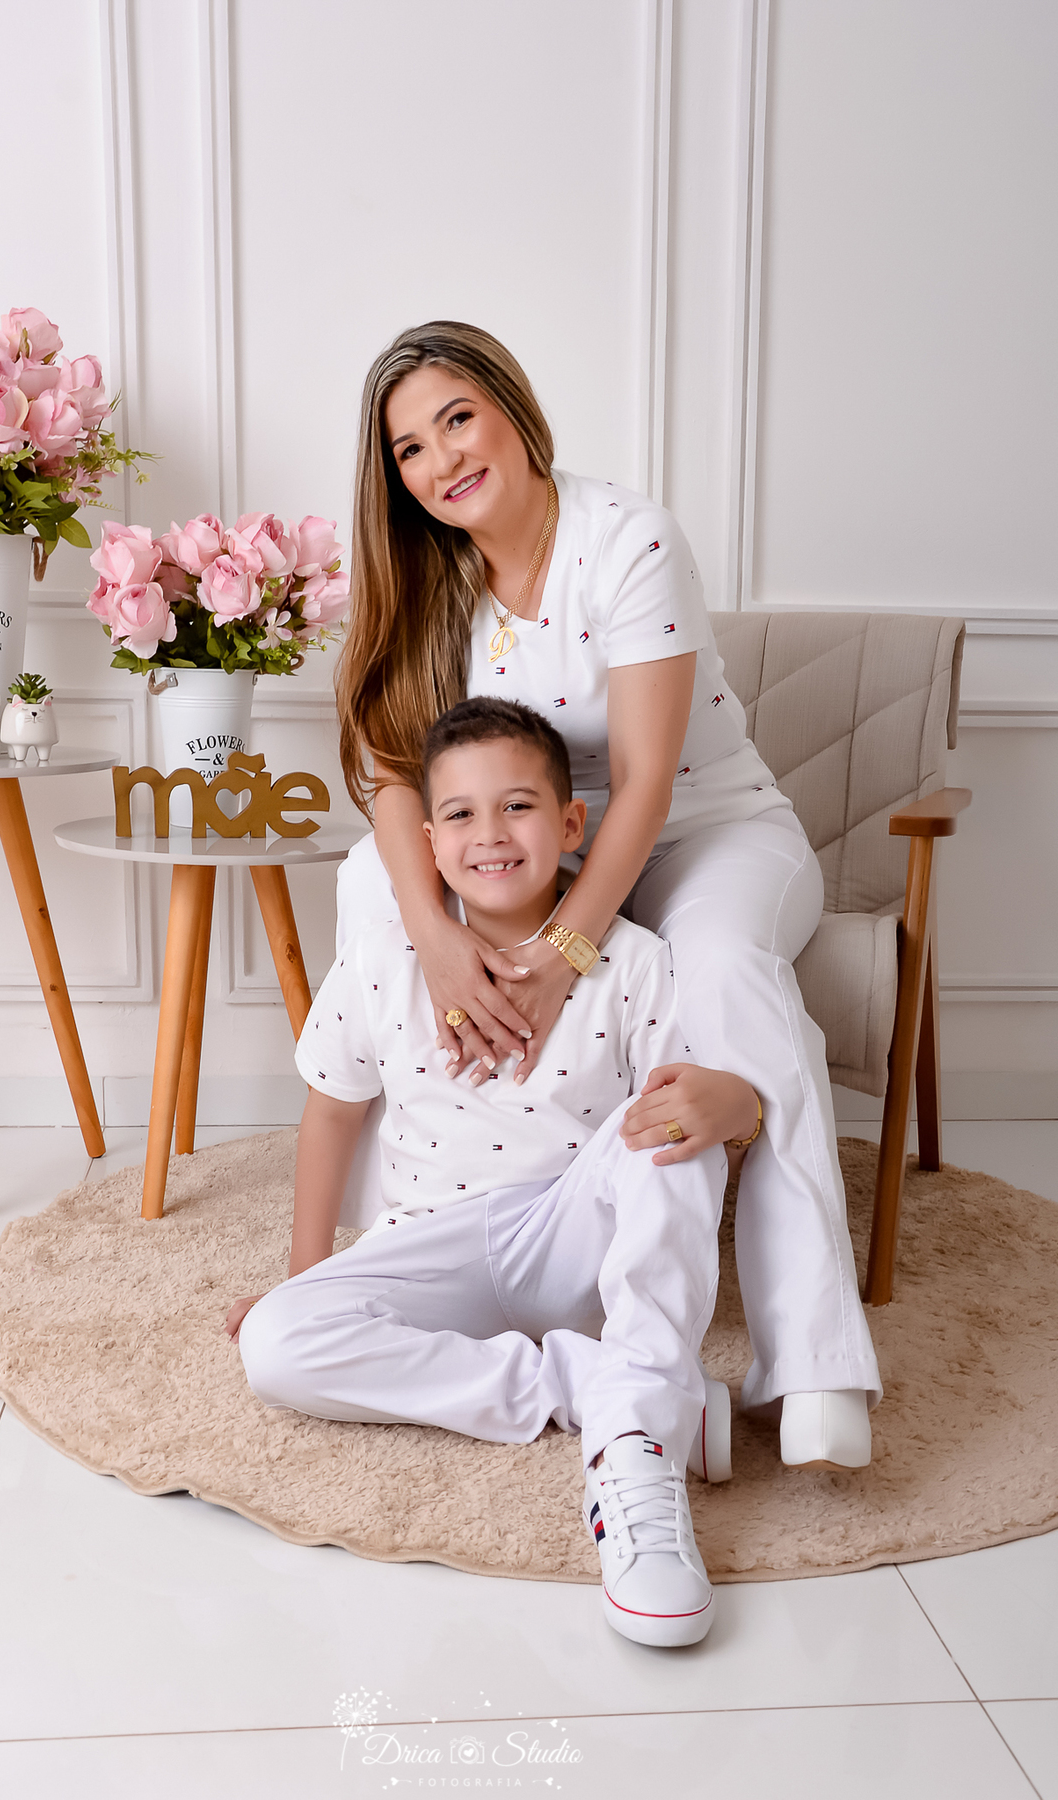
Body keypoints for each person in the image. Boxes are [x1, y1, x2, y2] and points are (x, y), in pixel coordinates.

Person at [330, 321, 880, 1468]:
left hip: (704, 830)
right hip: (531, 846)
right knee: (369, 891)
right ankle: (419, 1223)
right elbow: (389, 771)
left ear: (514, 413)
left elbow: (638, 786)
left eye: (457, 419)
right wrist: (434, 935)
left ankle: (815, 1364)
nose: (441, 460)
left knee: (725, 970)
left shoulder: (627, 539)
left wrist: (565, 959)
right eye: (409, 449)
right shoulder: (431, 578)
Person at [228, 699, 763, 1647]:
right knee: (276, 1345)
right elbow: (332, 1110)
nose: (490, 836)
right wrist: (305, 1269)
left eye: (517, 808)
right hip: (429, 1245)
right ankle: (605, 1388)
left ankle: (635, 1457)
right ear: (428, 844)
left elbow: (703, 1108)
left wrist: (735, 1105)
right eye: (463, 817)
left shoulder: (634, 965)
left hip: (571, 1230)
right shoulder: (385, 963)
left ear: (569, 825)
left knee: (665, 1125)